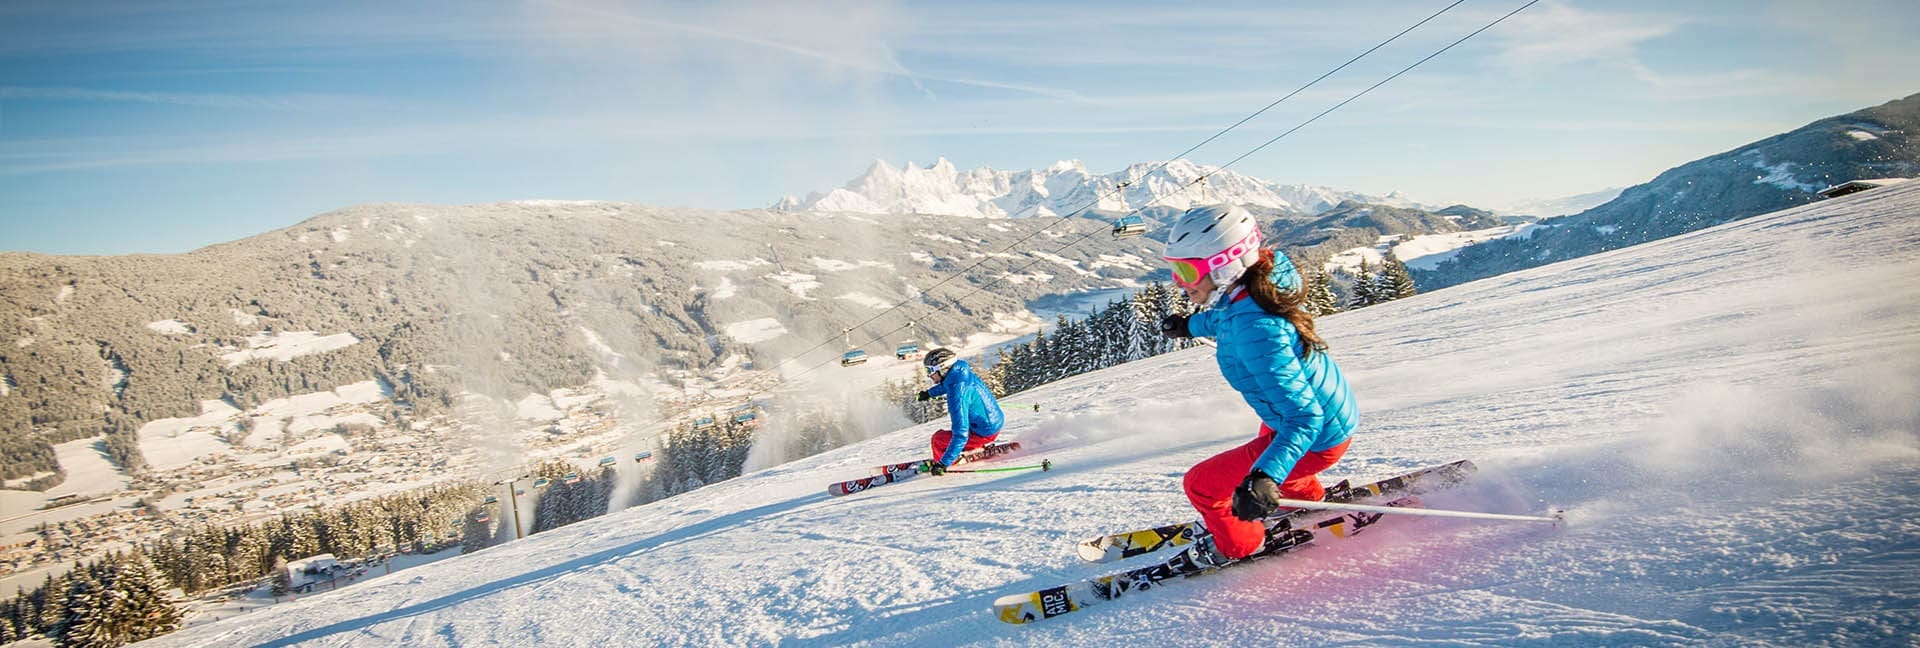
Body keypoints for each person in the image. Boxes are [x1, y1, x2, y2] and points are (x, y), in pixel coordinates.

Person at [1157, 204, 1357, 566]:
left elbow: (1304, 420)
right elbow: (1228, 320)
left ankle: (1239, 543)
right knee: (1271, 443)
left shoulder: (1257, 330)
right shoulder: (1256, 289)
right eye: (1174, 269)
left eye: (1185, 270)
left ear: (1225, 265)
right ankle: (1306, 499)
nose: (1178, 282)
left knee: (1201, 484)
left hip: (1315, 432)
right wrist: (1190, 327)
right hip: (1327, 414)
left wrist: (1264, 478)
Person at [914, 348, 1006, 475]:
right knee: (947, 437)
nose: (929, 375)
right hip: (993, 421)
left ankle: (949, 462)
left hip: (984, 432)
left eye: (930, 370)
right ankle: (958, 453)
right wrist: (929, 393)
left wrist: (942, 464)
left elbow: (961, 434)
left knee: (938, 439)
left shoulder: (958, 395)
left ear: (942, 369)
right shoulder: (960, 374)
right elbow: (947, 385)